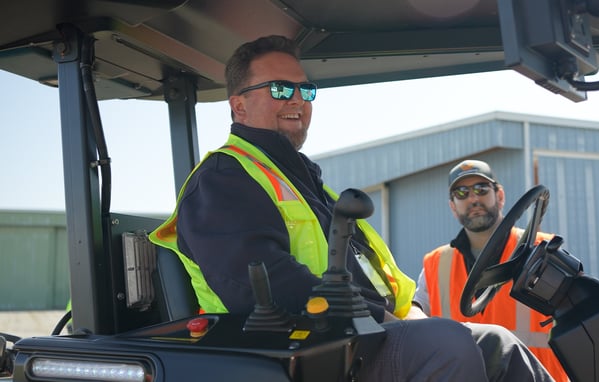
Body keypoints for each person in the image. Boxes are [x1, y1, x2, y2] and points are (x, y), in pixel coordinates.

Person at [150, 35, 554, 381]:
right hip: (303, 350)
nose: (296, 99)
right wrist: (382, 321)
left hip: (361, 337)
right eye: (279, 89)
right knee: (448, 345)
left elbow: (378, 277)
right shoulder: (224, 178)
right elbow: (261, 284)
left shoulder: (307, 184)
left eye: (304, 91)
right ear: (238, 106)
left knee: (499, 344)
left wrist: (410, 315)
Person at [412, 159, 568, 382]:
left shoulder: (542, 250)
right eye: (462, 192)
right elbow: (415, 317)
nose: (473, 198)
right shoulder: (435, 264)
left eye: (481, 189)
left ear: (500, 195)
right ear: (453, 207)